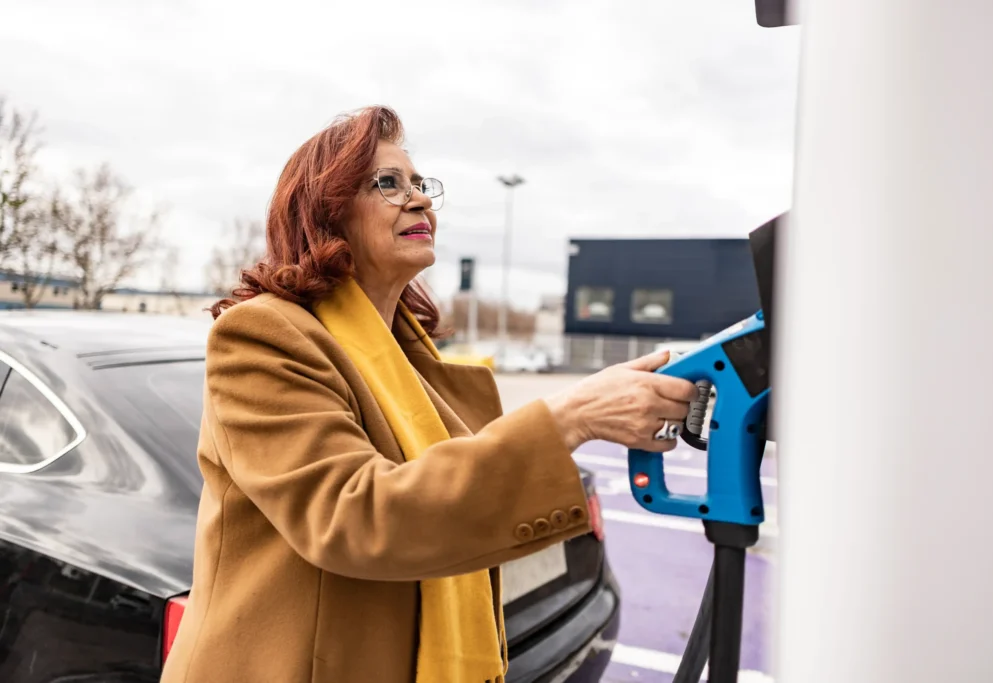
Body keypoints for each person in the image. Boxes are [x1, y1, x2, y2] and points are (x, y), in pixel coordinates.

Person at [160, 105, 698, 683]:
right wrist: (570, 419)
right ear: (325, 213)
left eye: (419, 184)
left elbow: (448, 496)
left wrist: (592, 407)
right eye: (387, 183)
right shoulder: (261, 335)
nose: (419, 200)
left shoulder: (409, 360)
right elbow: (354, 516)